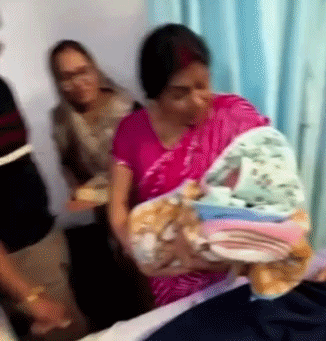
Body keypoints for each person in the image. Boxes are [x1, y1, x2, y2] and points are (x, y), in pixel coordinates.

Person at [108, 23, 270, 306]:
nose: (197, 101)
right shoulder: (131, 132)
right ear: (155, 95)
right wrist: (138, 251)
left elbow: (270, 182)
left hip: (235, 266)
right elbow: (117, 206)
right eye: (179, 94)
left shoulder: (234, 116)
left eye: (202, 85)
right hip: (171, 272)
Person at [0, 76, 89, 341]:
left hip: (45, 234)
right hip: (20, 258)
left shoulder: (2, 88)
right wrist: (28, 296)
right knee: (70, 333)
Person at [49, 40, 141, 210]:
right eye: (67, 77)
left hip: (143, 203)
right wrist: (78, 191)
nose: (78, 82)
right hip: (103, 210)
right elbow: (69, 167)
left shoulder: (128, 109)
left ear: (94, 69)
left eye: (83, 71)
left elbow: (151, 163)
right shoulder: (62, 120)